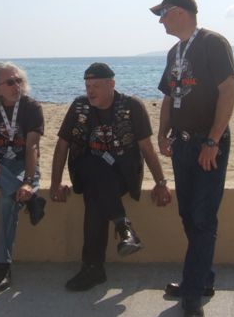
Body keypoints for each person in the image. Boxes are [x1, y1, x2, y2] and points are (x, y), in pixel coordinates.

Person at [151, 0, 234, 317]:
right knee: (188, 215)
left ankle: (192, 294)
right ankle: (202, 280)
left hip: (207, 144)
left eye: (163, 13)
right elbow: (169, 97)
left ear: (181, 12)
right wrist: (162, 134)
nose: (160, 20)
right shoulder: (174, 52)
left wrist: (212, 141)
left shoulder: (213, 43)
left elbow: (228, 92)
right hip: (183, 145)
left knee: (203, 218)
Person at [50, 62, 172, 292]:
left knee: (95, 196)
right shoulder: (79, 106)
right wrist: (55, 184)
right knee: (94, 166)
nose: (90, 91)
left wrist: (161, 183)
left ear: (111, 84)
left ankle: (93, 267)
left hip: (122, 175)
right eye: (87, 86)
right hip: (86, 171)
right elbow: (62, 145)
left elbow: (146, 147)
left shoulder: (132, 106)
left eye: (96, 86)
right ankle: (124, 228)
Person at [0, 61, 46, 292]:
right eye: (10, 82)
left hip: (24, 166)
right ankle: (32, 200)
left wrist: (28, 182)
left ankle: (3, 266)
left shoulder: (31, 107)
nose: (17, 86)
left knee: (7, 200)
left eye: (19, 80)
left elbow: (32, 147)